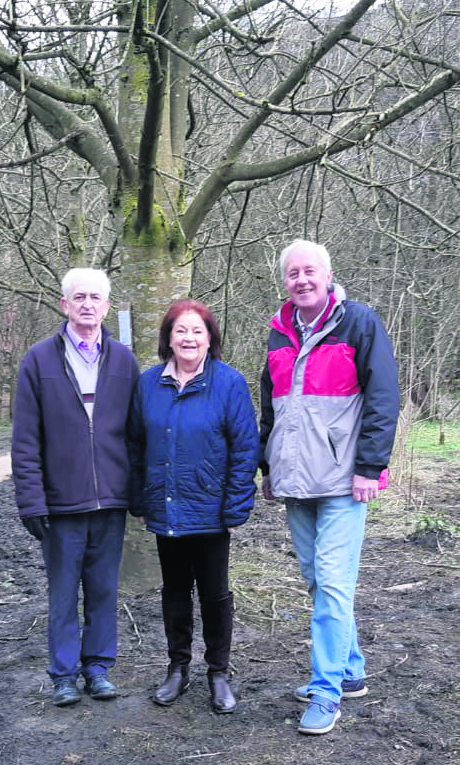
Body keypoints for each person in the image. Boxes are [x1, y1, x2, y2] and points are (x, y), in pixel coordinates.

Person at [259, 239, 400, 736]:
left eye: (310, 271)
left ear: (328, 274)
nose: (302, 279)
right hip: (295, 481)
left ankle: (326, 691)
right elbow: (272, 408)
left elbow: (384, 398)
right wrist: (268, 467)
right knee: (319, 582)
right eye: (293, 273)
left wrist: (370, 467)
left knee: (334, 586)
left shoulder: (358, 322)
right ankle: (352, 669)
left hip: (343, 479)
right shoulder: (279, 333)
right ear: (285, 281)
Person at [11, 267, 140, 707]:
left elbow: (135, 433)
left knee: (104, 590)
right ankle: (64, 675)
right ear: (64, 304)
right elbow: (25, 439)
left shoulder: (123, 360)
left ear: (106, 306)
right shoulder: (39, 360)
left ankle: (99, 669)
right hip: (61, 504)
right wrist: (31, 502)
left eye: (95, 298)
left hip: (111, 501)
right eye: (78, 297)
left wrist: (136, 489)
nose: (87, 304)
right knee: (63, 594)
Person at [129, 300, 259, 713]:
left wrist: (236, 508)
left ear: (210, 338)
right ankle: (177, 668)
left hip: (211, 510)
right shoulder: (148, 384)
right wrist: (141, 499)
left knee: (215, 594)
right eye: (180, 331)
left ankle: (218, 673)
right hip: (165, 507)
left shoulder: (229, 383)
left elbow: (245, 449)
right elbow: (134, 445)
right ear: (168, 338)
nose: (188, 338)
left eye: (197, 331)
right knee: (174, 590)